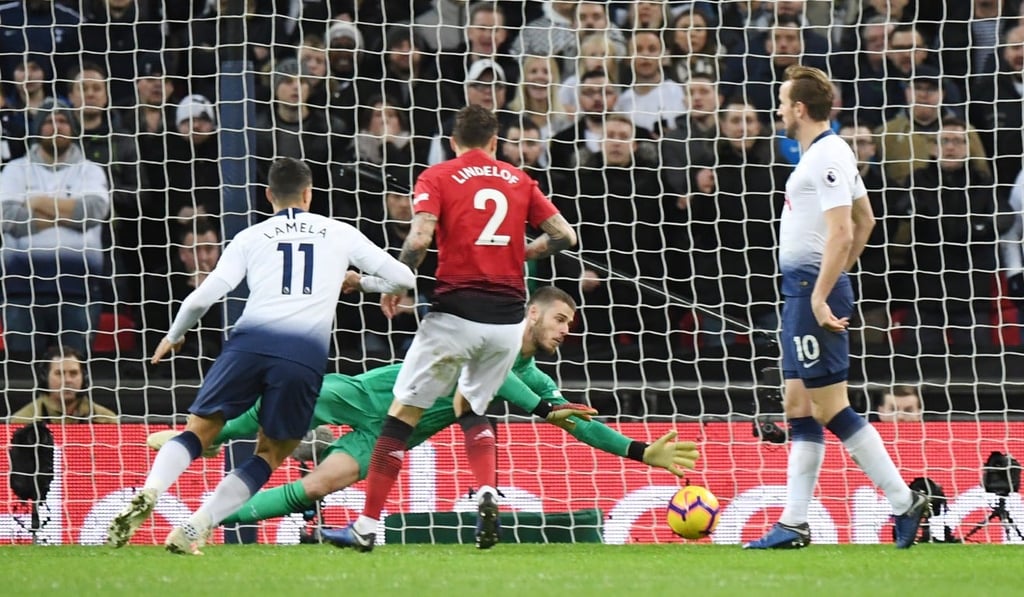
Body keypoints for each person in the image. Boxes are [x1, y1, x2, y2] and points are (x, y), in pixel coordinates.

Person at [146, 287, 700, 531]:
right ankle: (200, 438)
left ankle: (206, 522)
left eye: (570, 326)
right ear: (533, 314)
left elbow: (570, 421)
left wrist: (638, 450)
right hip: (373, 393)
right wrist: (541, 409)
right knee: (281, 413)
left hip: (391, 436)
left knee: (319, 486)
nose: (566, 331)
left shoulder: (536, 374)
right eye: (560, 320)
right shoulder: (497, 338)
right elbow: (516, 389)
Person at [105, 157, 416, 555]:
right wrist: (361, 282)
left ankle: (150, 490)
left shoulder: (251, 236)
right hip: (303, 355)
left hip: (249, 342)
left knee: (198, 431)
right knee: (269, 453)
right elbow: (405, 278)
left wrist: (174, 335)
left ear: (268, 195)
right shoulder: (338, 232)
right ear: (309, 194)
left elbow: (203, 296)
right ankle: (197, 525)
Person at [328, 104, 577, 552]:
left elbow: (420, 238)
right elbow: (564, 236)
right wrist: (522, 253)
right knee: (471, 407)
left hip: (454, 314)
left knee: (400, 420)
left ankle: (365, 526)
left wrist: (394, 283)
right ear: (496, 142)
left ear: (453, 143)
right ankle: (485, 490)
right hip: (506, 320)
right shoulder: (520, 179)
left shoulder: (438, 176)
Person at [744, 65, 927, 550]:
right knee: (798, 405)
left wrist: (822, 292)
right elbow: (866, 220)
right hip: (802, 290)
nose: (778, 109)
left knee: (830, 407)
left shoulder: (825, 156)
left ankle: (903, 501)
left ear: (800, 109)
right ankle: (793, 523)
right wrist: (833, 277)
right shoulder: (829, 152)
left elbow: (845, 228)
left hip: (809, 291)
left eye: (783, 102)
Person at [0, 98, 111, 360]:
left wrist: (36, 202)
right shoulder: (14, 170)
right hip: (22, 290)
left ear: (73, 127)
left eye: (62, 120)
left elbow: (93, 212)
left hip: (79, 290)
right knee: (22, 375)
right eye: (49, 121)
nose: (56, 126)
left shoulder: (91, 171)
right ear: (39, 127)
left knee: (76, 372)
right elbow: (8, 219)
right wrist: (67, 213)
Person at [7, 345, 118, 424]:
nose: (67, 380)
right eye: (59, 373)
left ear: (84, 378)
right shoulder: (23, 420)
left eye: (73, 373)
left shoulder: (106, 420)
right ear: (45, 378)